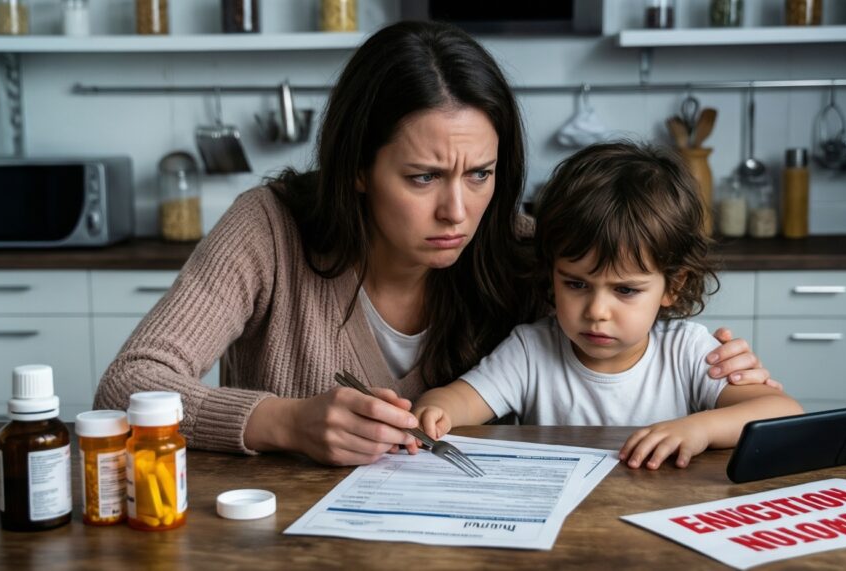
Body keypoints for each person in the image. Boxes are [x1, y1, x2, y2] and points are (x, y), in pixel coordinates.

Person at [94, 21, 773, 466]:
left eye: (479, 174)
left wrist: (718, 365)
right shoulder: (267, 229)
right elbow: (127, 385)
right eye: (422, 177)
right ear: (358, 169)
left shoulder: (533, 251)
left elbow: (624, 289)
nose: (458, 210)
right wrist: (285, 422)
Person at [413, 142, 803, 470]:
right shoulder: (530, 350)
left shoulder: (687, 350)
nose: (597, 310)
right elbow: (459, 399)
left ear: (672, 286)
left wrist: (699, 429)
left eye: (626, 290)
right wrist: (435, 407)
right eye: (577, 284)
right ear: (552, 274)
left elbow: (782, 411)